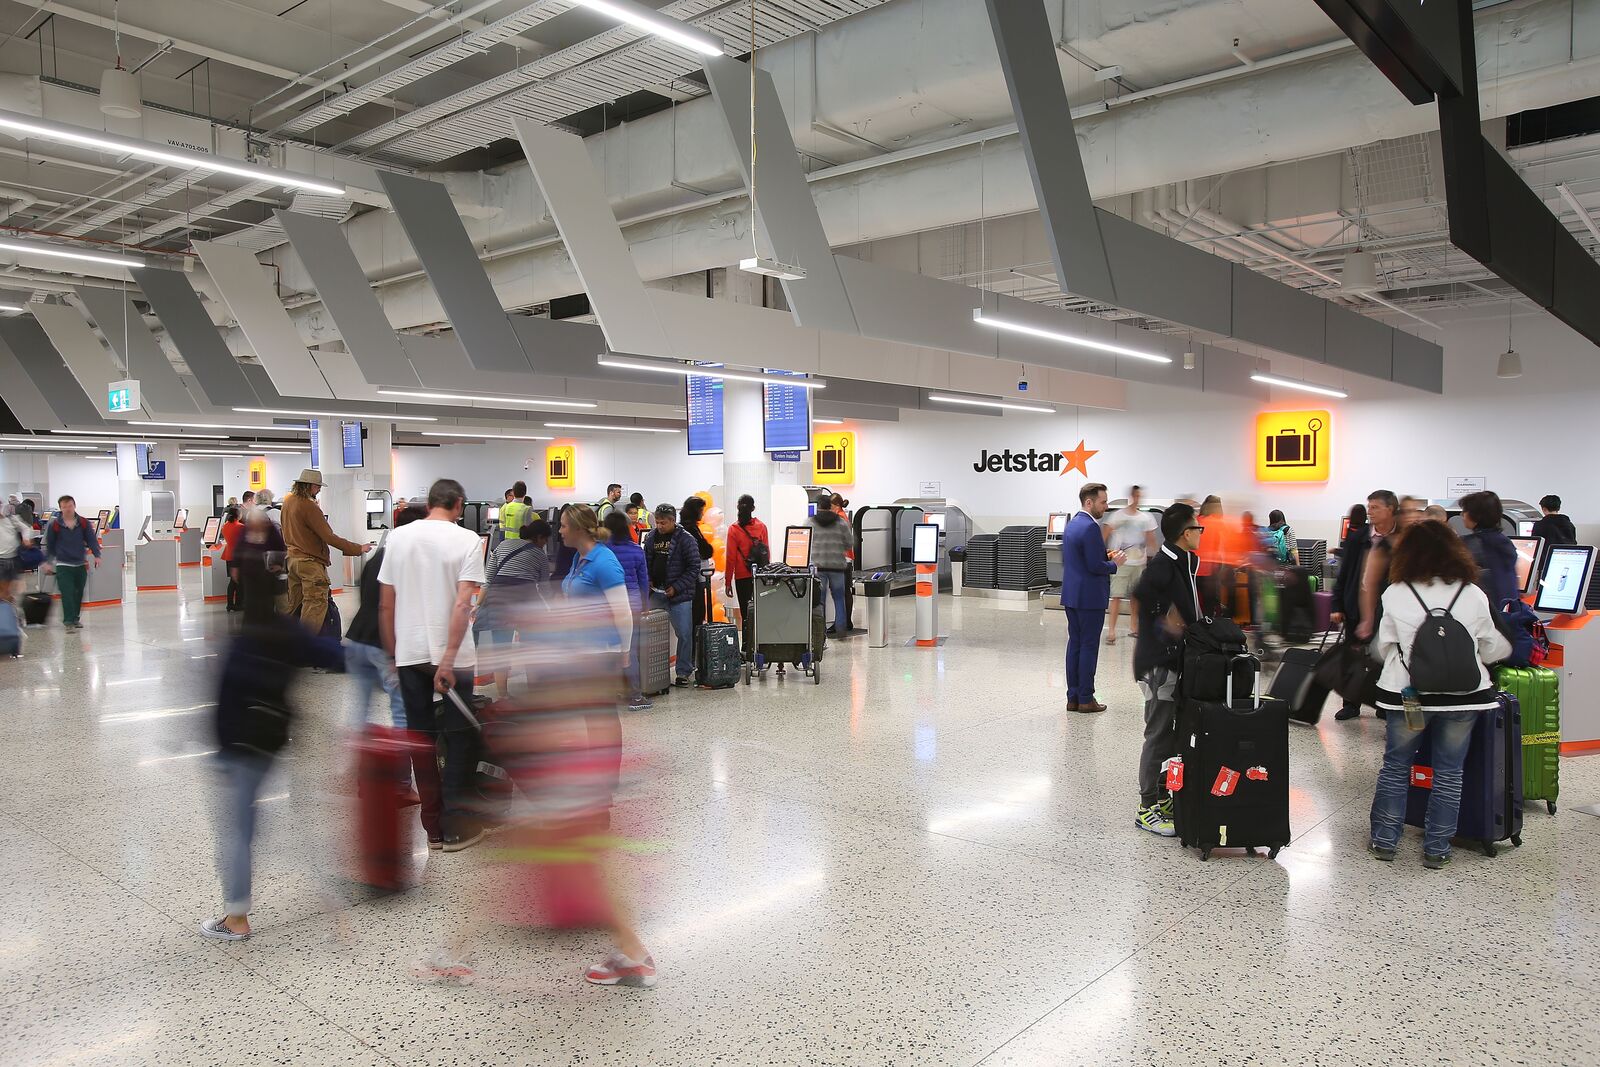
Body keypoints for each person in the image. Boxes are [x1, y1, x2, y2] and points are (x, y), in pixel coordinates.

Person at [1368, 520, 1511, 870]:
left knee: (1396, 766)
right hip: (1464, 696)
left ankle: (1385, 841)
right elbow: (1495, 648)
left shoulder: (1396, 593)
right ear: (1455, 550)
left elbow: (1381, 647)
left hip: (1409, 694)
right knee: (1450, 772)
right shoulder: (1472, 593)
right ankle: (1437, 847)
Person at [199, 562, 315, 941]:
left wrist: (220, 751)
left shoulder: (241, 641)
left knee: (235, 832)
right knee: (246, 824)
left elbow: (222, 704)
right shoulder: (290, 631)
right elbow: (336, 655)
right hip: (272, 739)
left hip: (240, 746)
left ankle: (236, 918)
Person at [378, 478, 487, 853]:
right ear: (458, 504)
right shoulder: (469, 540)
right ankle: (456, 825)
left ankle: (432, 828)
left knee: (420, 738)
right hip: (453, 656)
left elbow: (385, 604)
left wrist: (393, 656)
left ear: (430, 504)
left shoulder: (398, 538)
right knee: (459, 738)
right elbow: (463, 605)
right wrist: (448, 659)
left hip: (409, 653)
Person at [1130, 503, 1204, 837]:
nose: (1201, 533)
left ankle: (1164, 797)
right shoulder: (1163, 564)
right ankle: (1146, 808)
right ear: (1185, 533)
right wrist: (1164, 626)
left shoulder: (1184, 562)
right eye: (1197, 527)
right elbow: (1142, 595)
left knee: (1173, 737)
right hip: (1158, 664)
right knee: (1158, 735)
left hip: (1175, 662)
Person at [344, 506, 419, 780]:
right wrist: (394, 655)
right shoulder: (405, 562)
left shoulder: (377, 557)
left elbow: (366, 599)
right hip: (381, 645)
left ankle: (361, 769)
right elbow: (390, 609)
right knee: (401, 712)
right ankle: (400, 780)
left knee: (361, 709)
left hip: (356, 640)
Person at [1332, 490, 1398, 721]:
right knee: (1352, 658)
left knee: (1385, 658)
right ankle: (1351, 703)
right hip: (1356, 607)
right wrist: (1337, 604)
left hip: (1389, 609)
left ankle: (1383, 703)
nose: (1370, 511)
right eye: (1369, 506)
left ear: (1390, 509)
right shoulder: (1358, 538)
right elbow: (1344, 574)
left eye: (1375, 507)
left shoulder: (1400, 540)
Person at [1060, 483, 1126, 713]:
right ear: (1089, 502)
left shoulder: (1072, 525)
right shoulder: (1090, 528)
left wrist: (1103, 555)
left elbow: (1079, 558)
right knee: (1089, 646)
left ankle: (1073, 697)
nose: (1105, 507)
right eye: (1103, 502)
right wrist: (1114, 563)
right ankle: (1086, 698)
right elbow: (1094, 566)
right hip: (1090, 598)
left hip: (1071, 595)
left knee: (1074, 645)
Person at [282, 469, 370, 636]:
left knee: (294, 604)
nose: (319, 490)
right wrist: (358, 548)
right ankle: (305, 648)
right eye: (317, 487)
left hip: (292, 560)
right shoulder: (308, 506)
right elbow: (329, 537)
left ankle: (289, 641)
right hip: (309, 563)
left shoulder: (288, 502)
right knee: (315, 604)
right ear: (310, 486)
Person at [478, 517, 552, 700]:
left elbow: (488, 581)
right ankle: (533, 694)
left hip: (498, 600)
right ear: (540, 537)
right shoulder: (540, 555)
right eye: (545, 540)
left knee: (501, 649)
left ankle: (503, 697)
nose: (544, 545)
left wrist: (478, 605)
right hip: (524, 600)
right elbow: (544, 589)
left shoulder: (503, 545)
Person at [642, 503, 701, 688]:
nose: (659, 526)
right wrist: (649, 579)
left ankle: (683, 671)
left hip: (679, 596)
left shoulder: (686, 539)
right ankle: (650, 671)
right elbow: (646, 562)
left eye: (663, 523)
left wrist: (676, 587)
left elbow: (694, 568)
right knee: (648, 632)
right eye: (657, 522)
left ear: (673, 521)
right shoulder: (651, 537)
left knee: (684, 633)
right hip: (657, 592)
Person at [603, 511, 652, 710]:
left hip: (608, 605)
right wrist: (645, 606)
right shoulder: (636, 551)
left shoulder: (603, 551)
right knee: (630, 651)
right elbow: (643, 582)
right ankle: (635, 695)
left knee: (608, 650)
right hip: (631, 606)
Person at [1103, 486, 1157, 645]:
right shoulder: (1117, 516)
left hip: (1139, 562)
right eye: (1136, 496)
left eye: (1140, 496)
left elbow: (1151, 539)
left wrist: (1155, 557)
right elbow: (1105, 534)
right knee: (1117, 596)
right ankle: (1111, 630)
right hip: (1121, 561)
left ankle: (1134, 627)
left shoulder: (1146, 518)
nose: (1137, 498)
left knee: (1136, 596)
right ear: (1131, 496)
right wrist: (1105, 554)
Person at [43, 495, 102, 630]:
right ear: (60, 508)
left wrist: (97, 555)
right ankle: (68, 621)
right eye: (64, 507)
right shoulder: (55, 525)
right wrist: (48, 562)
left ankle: (75, 618)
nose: (67, 509)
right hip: (63, 565)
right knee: (67, 592)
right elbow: (50, 546)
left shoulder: (83, 523)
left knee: (78, 592)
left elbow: (91, 540)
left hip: (80, 564)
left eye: (69, 506)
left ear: (74, 506)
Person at [725, 494, 770, 648]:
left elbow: (730, 557)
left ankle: (746, 646)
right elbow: (766, 553)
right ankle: (761, 645)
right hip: (759, 576)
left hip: (742, 577)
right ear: (753, 508)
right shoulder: (761, 527)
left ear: (738, 508)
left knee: (745, 613)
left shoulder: (734, 529)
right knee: (760, 610)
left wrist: (727, 582)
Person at [1459, 491, 1519, 607]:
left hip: (1483, 611)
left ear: (1475, 515)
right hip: (1508, 611)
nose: (1462, 515)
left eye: (1464, 511)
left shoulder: (1469, 545)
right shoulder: (1504, 542)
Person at [808, 501, 854, 637]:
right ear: (830, 506)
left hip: (819, 567)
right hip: (837, 566)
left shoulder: (811, 522)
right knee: (839, 598)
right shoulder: (840, 522)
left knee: (820, 601)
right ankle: (841, 629)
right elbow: (849, 543)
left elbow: (807, 541)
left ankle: (820, 632)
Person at [680, 496, 716, 633]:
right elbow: (706, 550)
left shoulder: (683, 529)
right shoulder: (691, 530)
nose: (702, 513)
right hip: (693, 579)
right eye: (701, 510)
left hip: (686, 579)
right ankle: (695, 652)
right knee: (697, 615)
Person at [0, 500, 33, 603]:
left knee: (9, 591)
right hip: (1, 560)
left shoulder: (11, 518)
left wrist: (26, 539)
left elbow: (25, 528)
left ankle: (8, 610)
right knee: (4, 592)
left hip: (13, 558)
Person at [220, 506, 245, 613]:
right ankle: (238, 604)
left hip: (228, 554)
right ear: (239, 515)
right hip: (238, 555)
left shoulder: (225, 526)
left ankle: (229, 604)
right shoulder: (241, 527)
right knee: (239, 582)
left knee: (232, 581)